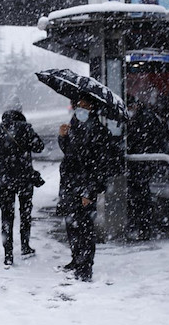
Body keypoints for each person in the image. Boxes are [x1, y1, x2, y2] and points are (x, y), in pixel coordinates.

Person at [58, 97, 115, 281]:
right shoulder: (74, 125)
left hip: (85, 186)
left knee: (85, 228)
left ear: (92, 108)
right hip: (69, 184)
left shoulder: (99, 131)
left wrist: (89, 191)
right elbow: (69, 153)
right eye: (79, 105)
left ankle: (85, 267)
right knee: (72, 225)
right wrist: (63, 137)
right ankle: (76, 259)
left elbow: (100, 165)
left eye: (85, 106)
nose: (80, 108)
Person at [0, 97, 45, 266]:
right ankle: (25, 246)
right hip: (24, 179)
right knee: (25, 213)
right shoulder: (26, 129)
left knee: (7, 216)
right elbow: (39, 147)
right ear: (20, 111)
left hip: (4, 179)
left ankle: (8, 254)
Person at [126, 97, 169, 240]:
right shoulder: (146, 116)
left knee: (140, 195)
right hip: (144, 162)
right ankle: (143, 226)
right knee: (141, 194)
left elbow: (139, 140)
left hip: (142, 162)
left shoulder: (143, 119)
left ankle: (142, 227)